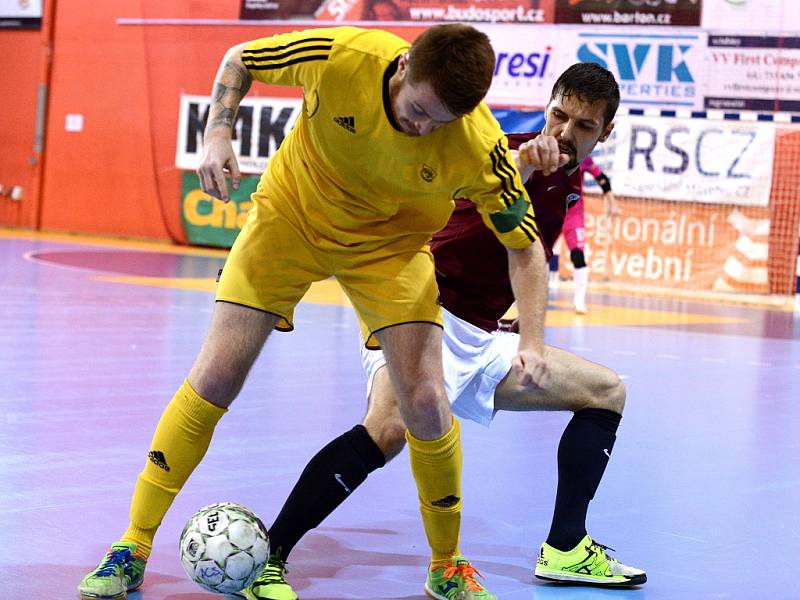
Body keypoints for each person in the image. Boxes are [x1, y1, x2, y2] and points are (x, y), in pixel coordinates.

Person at [77, 24, 551, 600]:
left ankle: (446, 565)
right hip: (290, 221)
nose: (424, 127)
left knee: (425, 403)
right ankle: (132, 545)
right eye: (419, 109)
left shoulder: (478, 145)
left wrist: (533, 339)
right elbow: (240, 58)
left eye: (440, 121)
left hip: (389, 251)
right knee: (216, 377)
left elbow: (525, 249)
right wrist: (217, 134)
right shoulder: (341, 55)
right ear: (403, 67)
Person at [244, 63, 646, 600]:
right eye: (558, 116)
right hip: (420, 313)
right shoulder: (505, 153)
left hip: (480, 334)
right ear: (545, 108)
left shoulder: (572, 182)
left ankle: (567, 548)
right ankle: (269, 556)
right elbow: (504, 182)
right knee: (386, 430)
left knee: (606, 392)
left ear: (605, 133)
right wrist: (524, 165)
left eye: (584, 126)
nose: (565, 133)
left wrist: (515, 322)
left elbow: (522, 258)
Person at [556, 154, 619, 314]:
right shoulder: (552, 152)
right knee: (540, 252)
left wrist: (612, 202)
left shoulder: (583, 157)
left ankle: (579, 301)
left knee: (578, 255)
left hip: (573, 213)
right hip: (552, 209)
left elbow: (602, 178)